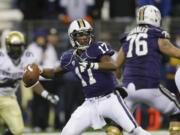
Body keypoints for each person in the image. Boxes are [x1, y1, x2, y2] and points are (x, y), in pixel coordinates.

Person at [27, 19, 151, 135]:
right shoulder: (69, 57)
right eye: (80, 35)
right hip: (90, 103)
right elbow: (54, 72)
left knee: (135, 130)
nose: (85, 37)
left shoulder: (98, 48)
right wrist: (40, 70)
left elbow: (112, 65)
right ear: (73, 37)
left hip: (110, 99)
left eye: (87, 34)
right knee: (66, 133)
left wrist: (92, 65)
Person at [116, 5, 180, 135]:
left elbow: (116, 65)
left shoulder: (128, 37)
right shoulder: (156, 35)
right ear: (155, 17)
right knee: (176, 112)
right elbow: (175, 52)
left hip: (128, 88)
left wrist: (119, 80)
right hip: (149, 86)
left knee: (118, 121)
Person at [0, 31, 58, 135]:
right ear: (8, 46)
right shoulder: (1, 56)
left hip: (8, 98)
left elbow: (33, 82)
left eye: (18, 46)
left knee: (17, 131)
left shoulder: (25, 58)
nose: (16, 49)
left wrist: (47, 95)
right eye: (13, 46)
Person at [27, 29, 59, 131]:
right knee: (37, 102)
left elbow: (53, 62)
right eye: (39, 38)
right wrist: (40, 58)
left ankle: (45, 124)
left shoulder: (50, 48)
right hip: (37, 79)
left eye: (42, 38)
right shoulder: (31, 48)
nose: (41, 40)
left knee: (47, 102)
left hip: (48, 79)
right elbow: (29, 64)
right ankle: (36, 124)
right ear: (35, 39)